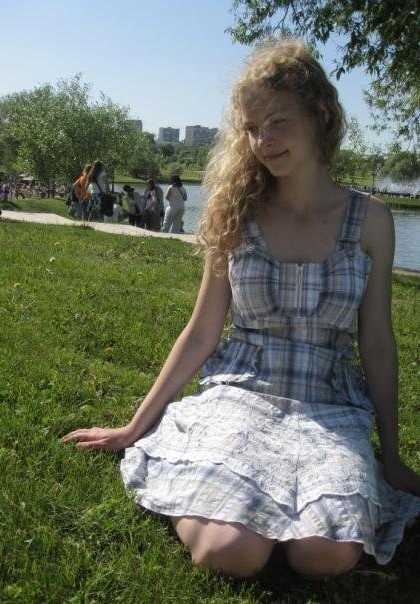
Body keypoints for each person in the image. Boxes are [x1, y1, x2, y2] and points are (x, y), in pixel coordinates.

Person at [61, 39, 420, 580]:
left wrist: (391, 456)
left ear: (321, 116)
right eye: (252, 128)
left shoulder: (371, 219)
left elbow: (377, 343)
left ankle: (289, 514)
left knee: (323, 554)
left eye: (277, 122)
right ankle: (225, 498)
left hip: (331, 406)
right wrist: (135, 426)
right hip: (240, 394)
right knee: (229, 551)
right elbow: (202, 332)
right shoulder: (235, 212)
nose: (263, 141)